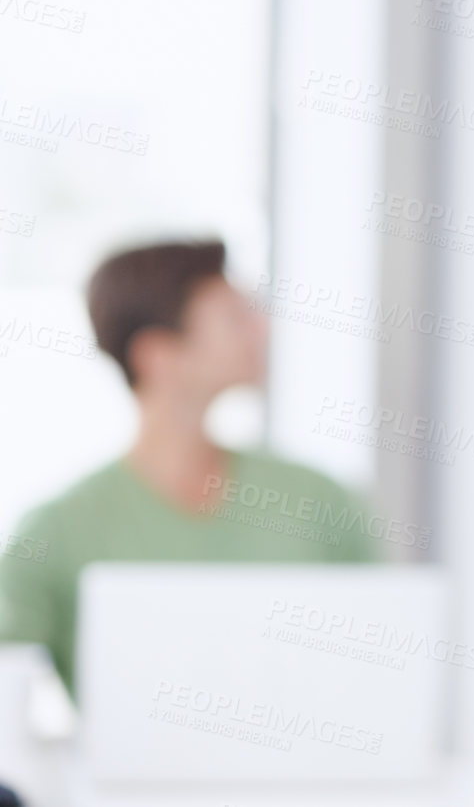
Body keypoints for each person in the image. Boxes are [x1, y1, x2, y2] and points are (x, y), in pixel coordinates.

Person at [0, 240, 377, 698]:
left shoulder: (320, 500)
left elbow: (380, 658)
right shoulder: (55, 531)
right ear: (157, 354)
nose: (263, 331)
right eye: (235, 320)